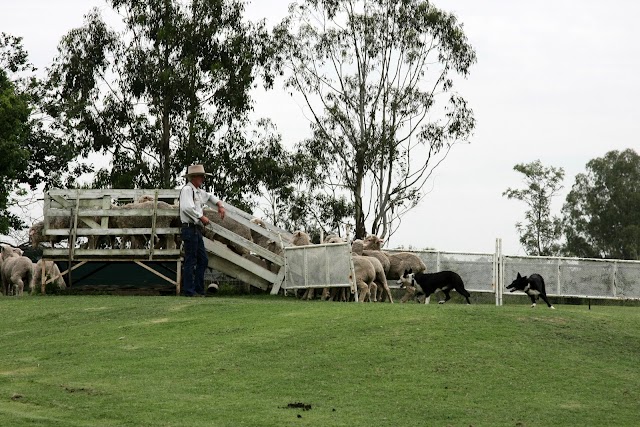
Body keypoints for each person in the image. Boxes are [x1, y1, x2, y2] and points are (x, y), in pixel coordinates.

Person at [179, 164, 226, 297]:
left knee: (202, 260)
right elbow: (186, 208)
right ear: (194, 177)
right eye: (201, 176)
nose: (202, 179)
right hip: (190, 228)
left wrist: (220, 205)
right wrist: (201, 217)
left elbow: (210, 197)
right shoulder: (188, 190)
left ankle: (198, 289)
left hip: (196, 230)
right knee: (191, 260)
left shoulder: (198, 191)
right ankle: (189, 290)